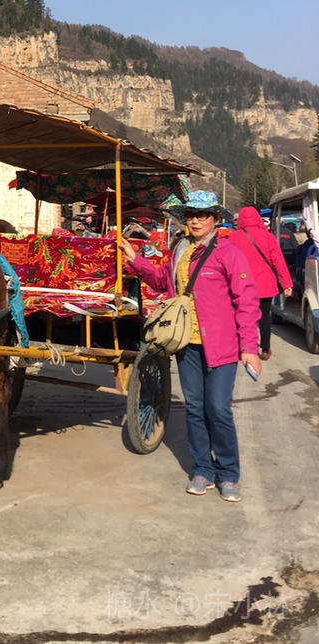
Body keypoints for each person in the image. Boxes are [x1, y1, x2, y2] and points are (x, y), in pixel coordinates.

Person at [119, 190, 260, 502]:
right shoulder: (180, 250)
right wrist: (135, 260)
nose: (196, 221)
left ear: (215, 219)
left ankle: (228, 473)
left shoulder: (229, 252)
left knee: (218, 408)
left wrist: (249, 346)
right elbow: (161, 281)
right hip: (186, 344)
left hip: (222, 344)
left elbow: (247, 301)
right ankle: (202, 469)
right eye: (191, 215)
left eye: (203, 215)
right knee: (195, 408)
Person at [230, 207, 293, 360]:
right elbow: (279, 262)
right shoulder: (268, 237)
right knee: (265, 317)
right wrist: (287, 284)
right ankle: (265, 349)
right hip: (265, 285)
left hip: (241, 285)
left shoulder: (233, 237)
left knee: (242, 316)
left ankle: (242, 347)